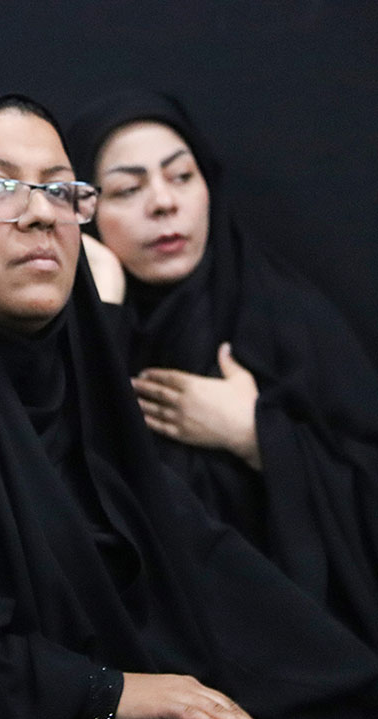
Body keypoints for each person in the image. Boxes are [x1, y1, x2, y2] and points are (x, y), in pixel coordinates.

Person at [0, 90, 378, 719]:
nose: (40, 213)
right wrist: (105, 693)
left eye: (59, 189)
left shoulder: (85, 394)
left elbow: (205, 571)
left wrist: (261, 436)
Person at [67, 90, 378, 649]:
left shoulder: (284, 317)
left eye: (182, 177)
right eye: (128, 189)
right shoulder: (66, 336)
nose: (164, 203)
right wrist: (103, 308)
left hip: (313, 649)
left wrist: (256, 435)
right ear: (82, 210)